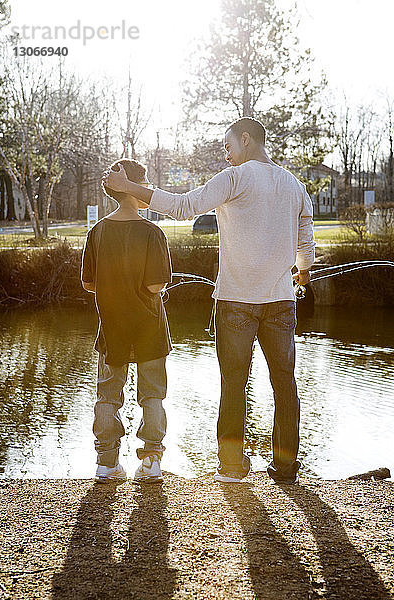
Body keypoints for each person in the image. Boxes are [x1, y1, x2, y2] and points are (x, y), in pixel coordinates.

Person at [103, 118, 315, 485]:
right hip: (281, 301)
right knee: (285, 383)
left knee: (234, 383)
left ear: (245, 139)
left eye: (227, 144)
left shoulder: (233, 179)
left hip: (235, 301)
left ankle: (232, 468)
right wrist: (302, 271)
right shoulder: (295, 186)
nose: (226, 152)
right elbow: (306, 248)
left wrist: (127, 187)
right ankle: (285, 469)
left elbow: (184, 206)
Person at [81, 158, 172, 484]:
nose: (146, 190)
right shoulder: (152, 232)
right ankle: (150, 462)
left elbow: (89, 283)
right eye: (144, 183)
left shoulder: (98, 232)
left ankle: (106, 463)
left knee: (107, 395)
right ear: (132, 187)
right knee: (152, 394)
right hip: (149, 327)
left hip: (112, 326)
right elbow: (155, 285)